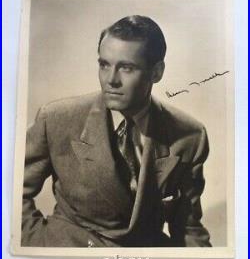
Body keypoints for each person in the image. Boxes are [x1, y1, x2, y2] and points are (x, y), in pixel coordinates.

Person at [22, 15, 211, 247]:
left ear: (157, 72)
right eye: (104, 65)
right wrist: (37, 243)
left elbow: (188, 227)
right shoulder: (56, 119)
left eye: (127, 68)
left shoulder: (190, 135)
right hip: (71, 257)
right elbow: (10, 192)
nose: (111, 80)